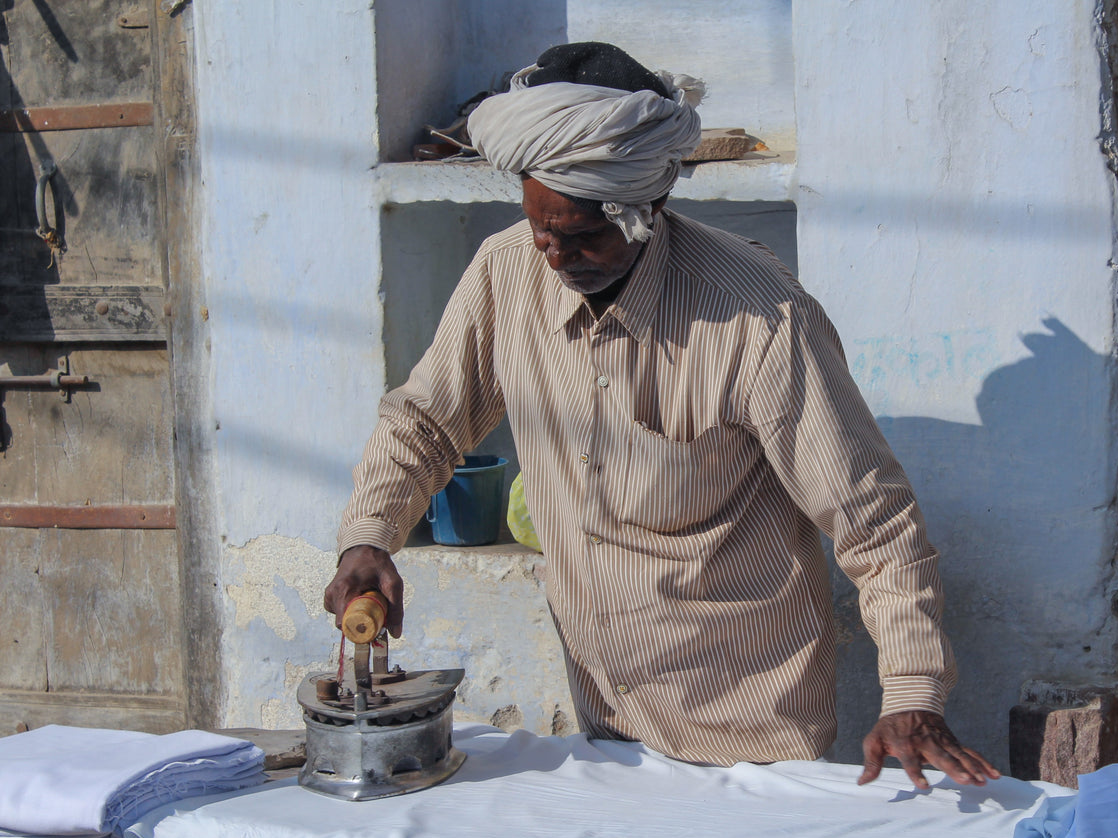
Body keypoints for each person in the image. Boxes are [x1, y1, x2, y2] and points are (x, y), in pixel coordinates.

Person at [324, 42, 999, 790]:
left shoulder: (758, 319)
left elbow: (876, 525)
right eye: (540, 227)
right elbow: (426, 421)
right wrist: (368, 535)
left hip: (751, 736)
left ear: (648, 207)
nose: (553, 254)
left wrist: (911, 693)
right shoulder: (505, 269)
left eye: (582, 236)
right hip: (605, 721)